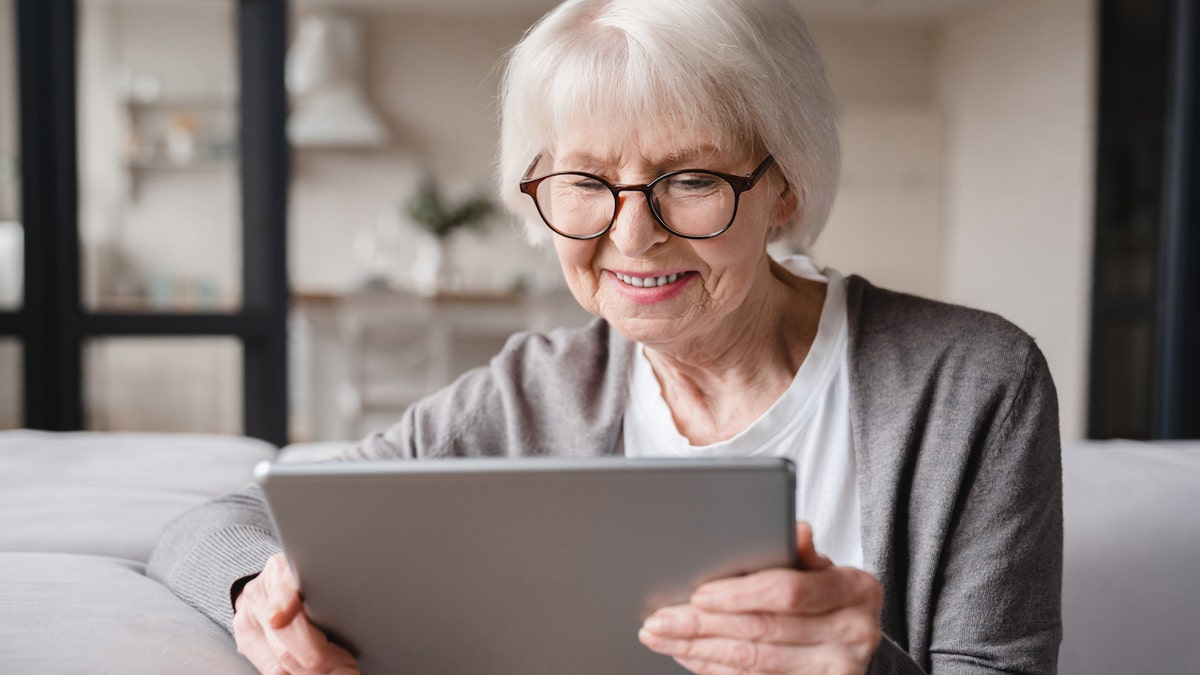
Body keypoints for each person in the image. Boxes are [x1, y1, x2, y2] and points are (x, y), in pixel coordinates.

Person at [148, 0, 1063, 673]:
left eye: (692, 179)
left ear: (784, 187)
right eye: (584, 181)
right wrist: (256, 599)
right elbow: (210, 526)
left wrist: (863, 669)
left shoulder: (975, 382)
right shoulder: (526, 393)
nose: (632, 235)